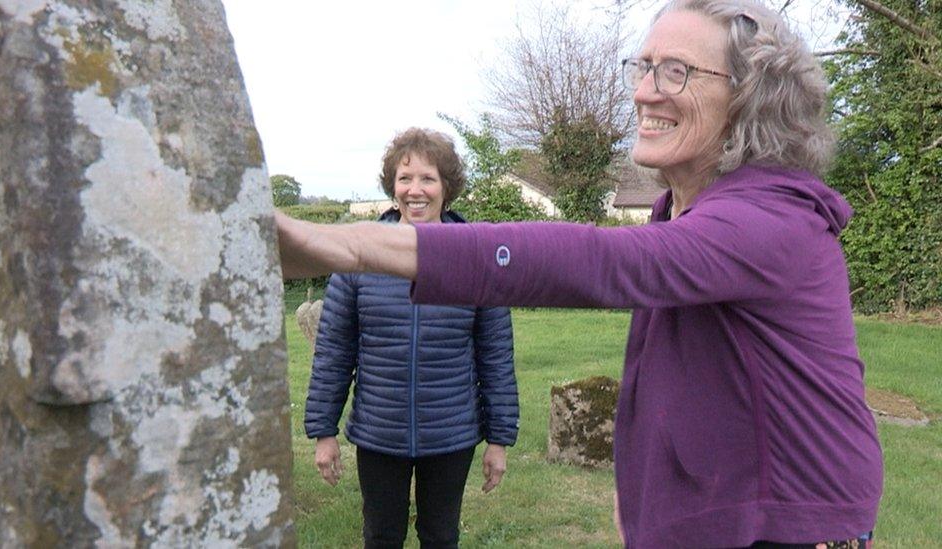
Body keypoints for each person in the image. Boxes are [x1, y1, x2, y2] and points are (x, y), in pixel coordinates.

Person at [278, 0, 883, 546]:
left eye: (677, 71)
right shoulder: (681, 213)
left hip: (793, 529)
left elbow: (597, 262)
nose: (646, 91)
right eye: (642, 67)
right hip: (720, 518)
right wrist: (644, 498)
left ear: (753, 95)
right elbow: (679, 383)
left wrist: (344, 245)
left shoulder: (768, 219)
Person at [303, 127, 519, 549]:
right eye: (405, 179)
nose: (415, 190)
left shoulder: (477, 258)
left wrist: (499, 439)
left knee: (440, 537)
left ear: (446, 187)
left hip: (451, 435)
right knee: (381, 537)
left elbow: (495, 357)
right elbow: (333, 352)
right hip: (379, 433)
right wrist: (323, 432)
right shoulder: (359, 255)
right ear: (392, 186)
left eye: (427, 178)